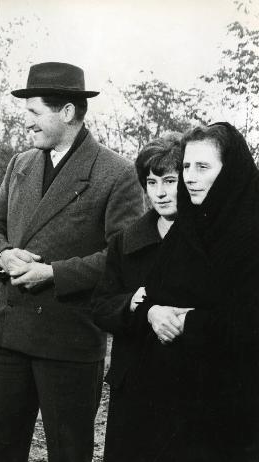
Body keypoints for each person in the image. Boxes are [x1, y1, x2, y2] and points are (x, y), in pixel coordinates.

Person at [0, 61, 143, 462]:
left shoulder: (116, 173)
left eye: (35, 113)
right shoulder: (21, 164)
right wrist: (2, 255)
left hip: (68, 343)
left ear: (67, 112)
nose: (27, 123)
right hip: (8, 337)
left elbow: (125, 260)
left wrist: (53, 273)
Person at [111, 123, 259, 461]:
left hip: (236, 399)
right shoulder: (188, 228)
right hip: (177, 396)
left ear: (230, 172)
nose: (190, 177)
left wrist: (187, 322)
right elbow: (154, 289)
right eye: (187, 166)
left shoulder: (250, 232)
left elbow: (248, 322)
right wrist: (153, 311)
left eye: (202, 167)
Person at [91, 133, 185, 462]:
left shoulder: (212, 241)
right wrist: (135, 306)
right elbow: (101, 306)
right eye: (152, 181)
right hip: (135, 383)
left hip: (189, 385)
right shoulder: (126, 242)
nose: (159, 192)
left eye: (170, 180)